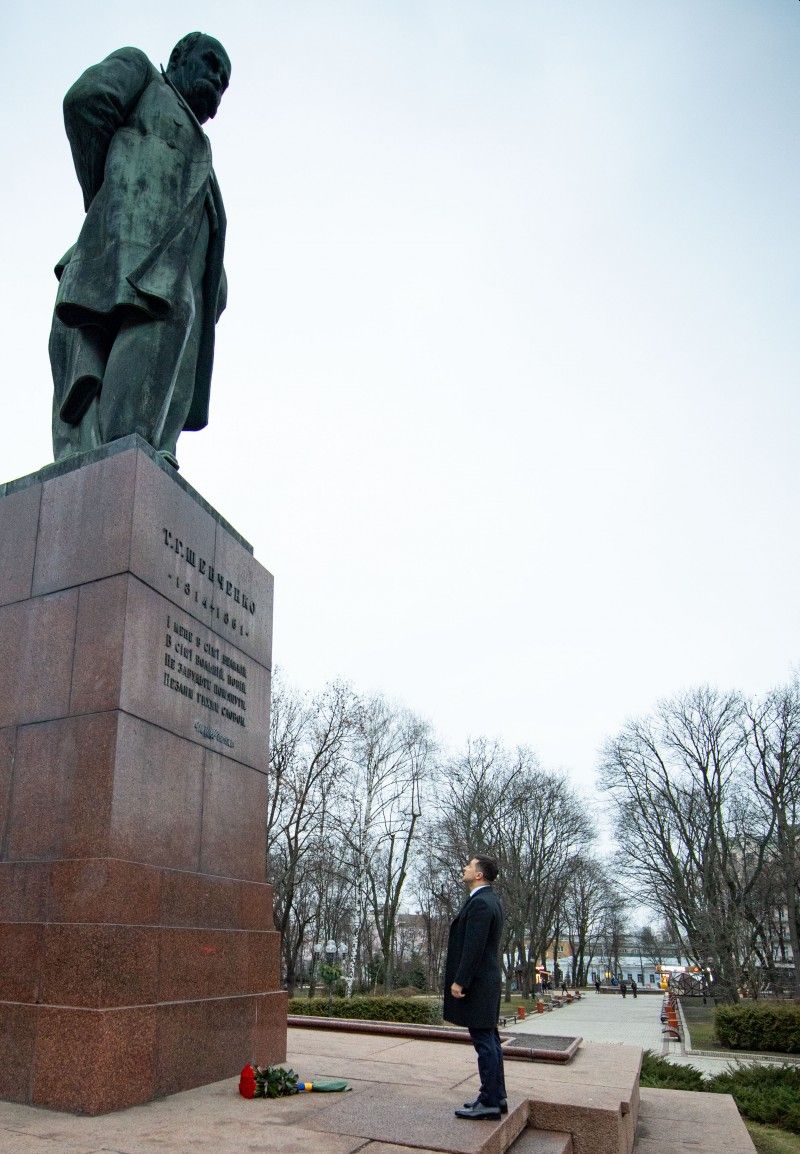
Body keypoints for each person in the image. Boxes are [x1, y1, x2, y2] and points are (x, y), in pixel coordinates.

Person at [49, 32, 231, 469]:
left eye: (224, 82)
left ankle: (139, 468)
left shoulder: (203, 160)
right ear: (178, 57)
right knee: (107, 438)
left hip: (172, 295)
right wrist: (107, 205)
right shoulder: (145, 75)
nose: (216, 81)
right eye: (210, 64)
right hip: (128, 267)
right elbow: (88, 100)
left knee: (137, 446)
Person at [444, 855, 506, 1121]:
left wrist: (461, 980)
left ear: (479, 874)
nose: (465, 868)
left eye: (469, 865)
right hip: (486, 982)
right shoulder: (489, 899)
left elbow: (474, 948)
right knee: (490, 1039)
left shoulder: (481, 902)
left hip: (479, 983)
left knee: (484, 1041)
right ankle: (496, 1096)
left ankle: (490, 1101)